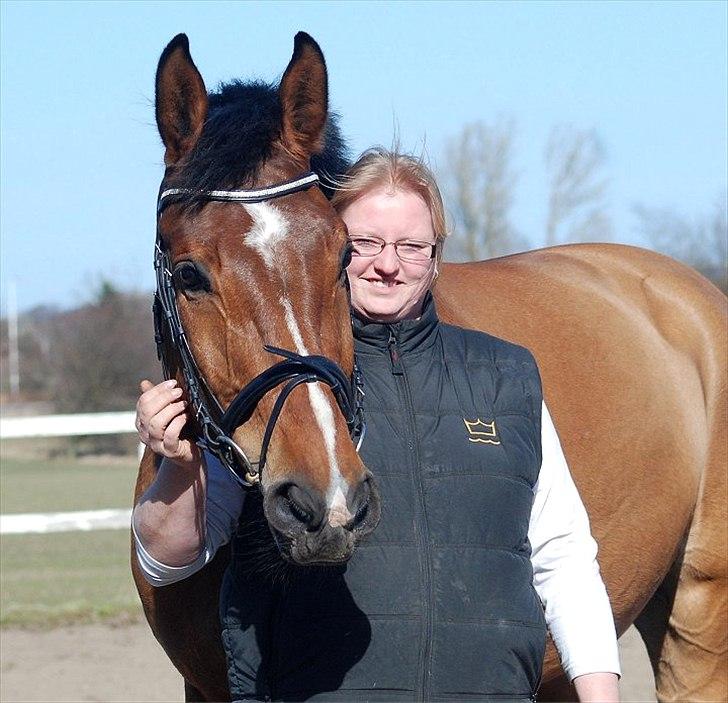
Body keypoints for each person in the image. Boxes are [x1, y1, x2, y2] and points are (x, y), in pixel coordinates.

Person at [133, 148, 621, 702]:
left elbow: (564, 554)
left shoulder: (505, 375)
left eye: (412, 246)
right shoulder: (279, 387)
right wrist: (177, 469)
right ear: (330, 247)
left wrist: (600, 693)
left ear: (436, 258)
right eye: (366, 243)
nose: (389, 264)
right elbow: (167, 563)